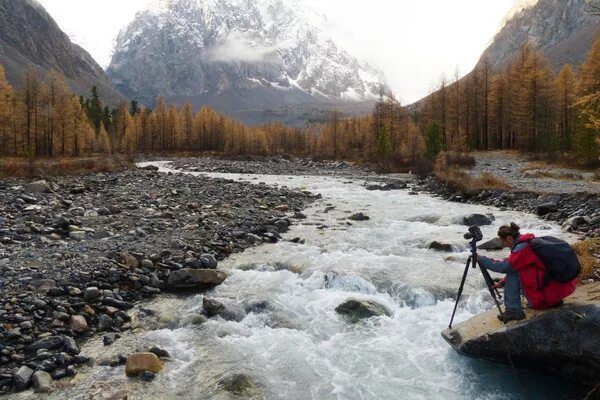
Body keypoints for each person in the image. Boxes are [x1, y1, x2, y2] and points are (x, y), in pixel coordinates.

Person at [477, 223, 578, 323]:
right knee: (514, 268)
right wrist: (503, 283)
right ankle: (552, 301)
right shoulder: (530, 243)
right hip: (556, 293)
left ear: (509, 239)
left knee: (511, 271)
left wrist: (481, 259)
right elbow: (519, 266)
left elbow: (504, 267)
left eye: (504, 242)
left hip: (544, 298)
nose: (503, 245)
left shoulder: (522, 249)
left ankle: (513, 311)